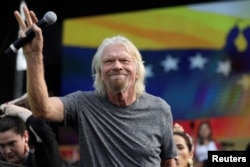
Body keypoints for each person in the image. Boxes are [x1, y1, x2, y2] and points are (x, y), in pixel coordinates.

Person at [13, 5, 177, 167]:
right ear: (100, 74)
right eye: (109, 61)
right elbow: (42, 109)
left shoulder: (160, 109)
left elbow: (168, 162)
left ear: (137, 71)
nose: (117, 66)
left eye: (125, 60)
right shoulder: (82, 104)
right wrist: (33, 56)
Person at [0, 102, 62, 167]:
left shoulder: (41, 161)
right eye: (2, 146)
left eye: (11, 143)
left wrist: (22, 113)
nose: (7, 151)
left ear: (25, 136)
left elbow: (45, 135)